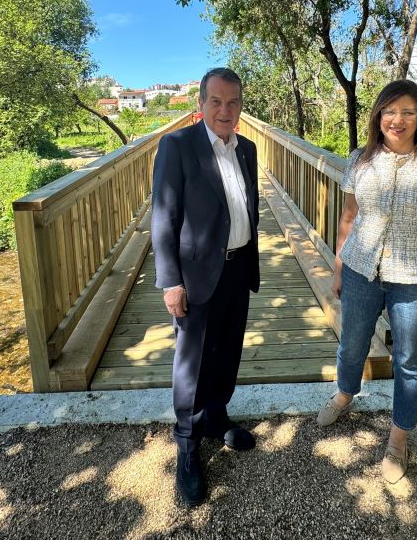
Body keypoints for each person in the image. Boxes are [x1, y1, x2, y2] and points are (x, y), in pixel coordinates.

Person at [316, 79, 417, 484]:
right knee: (351, 344)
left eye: (408, 112)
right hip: (362, 269)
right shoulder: (360, 158)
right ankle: (345, 395)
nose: (397, 120)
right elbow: (348, 216)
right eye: (389, 111)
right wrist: (339, 265)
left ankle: (398, 439)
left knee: (410, 362)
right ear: (378, 115)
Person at [151, 67, 261, 506]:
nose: (225, 110)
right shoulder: (177, 146)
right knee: (192, 362)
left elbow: (246, 206)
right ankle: (187, 446)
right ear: (201, 104)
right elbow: (163, 217)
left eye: (232, 102)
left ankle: (216, 418)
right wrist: (170, 281)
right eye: (216, 101)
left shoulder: (248, 149)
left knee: (228, 350)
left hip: (237, 269)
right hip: (195, 274)